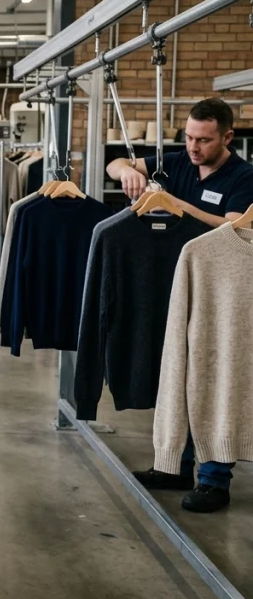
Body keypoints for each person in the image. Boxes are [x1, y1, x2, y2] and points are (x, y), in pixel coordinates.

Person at [107, 98, 253, 513]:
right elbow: (115, 164)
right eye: (188, 137)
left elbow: (234, 226)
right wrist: (128, 173)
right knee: (178, 375)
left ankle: (214, 479)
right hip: (171, 283)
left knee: (213, 377)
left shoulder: (243, 177)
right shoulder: (176, 163)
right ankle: (176, 466)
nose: (193, 147)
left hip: (219, 292)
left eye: (203, 140)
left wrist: (175, 204)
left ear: (227, 137)